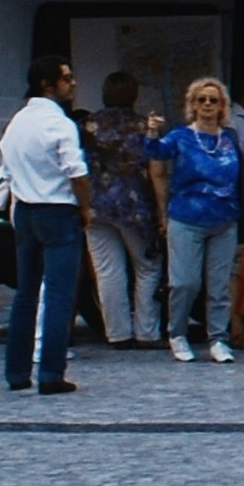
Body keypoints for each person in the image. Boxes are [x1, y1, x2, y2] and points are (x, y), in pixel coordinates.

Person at [1, 57, 91, 395]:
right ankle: (51, 373)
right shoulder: (60, 123)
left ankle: (16, 371)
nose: (73, 83)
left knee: (25, 294)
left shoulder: (18, 121)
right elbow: (76, 172)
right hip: (57, 210)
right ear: (47, 84)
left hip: (25, 209)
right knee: (58, 294)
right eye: (66, 77)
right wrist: (85, 207)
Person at [148, 77, 244, 365]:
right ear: (192, 105)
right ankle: (177, 333)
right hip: (187, 217)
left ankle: (218, 338)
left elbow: (241, 177)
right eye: (201, 100)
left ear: (222, 106)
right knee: (185, 282)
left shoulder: (228, 138)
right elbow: (156, 152)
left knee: (219, 285)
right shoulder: (180, 136)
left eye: (213, 101)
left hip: (224, 219)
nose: (207, 105)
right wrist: (153, 132)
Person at [80, 71, 164, 350]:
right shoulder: (143, 127)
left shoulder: (88, 125)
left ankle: (117, 333)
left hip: (96, 206)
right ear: (134, 95)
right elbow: (156, 170)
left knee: (107, 271)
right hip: (134, 207)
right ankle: (147, 332)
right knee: (147, 267)